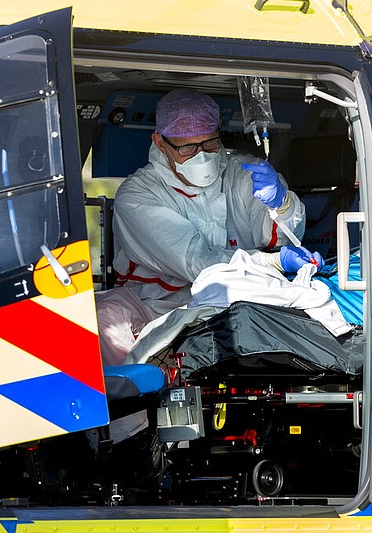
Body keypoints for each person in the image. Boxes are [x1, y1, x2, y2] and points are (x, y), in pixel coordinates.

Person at [96, 88, 322, 365]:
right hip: (155, 307)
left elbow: (284, 237)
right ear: (160, 142)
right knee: (105, 322)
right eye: (187, 147)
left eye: (209, 143)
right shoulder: (138, 195)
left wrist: (283, 205)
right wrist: (274, 262)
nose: (200, 155)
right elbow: (197, 262)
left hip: (239, 302)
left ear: (219, 132)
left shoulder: (244, 173)